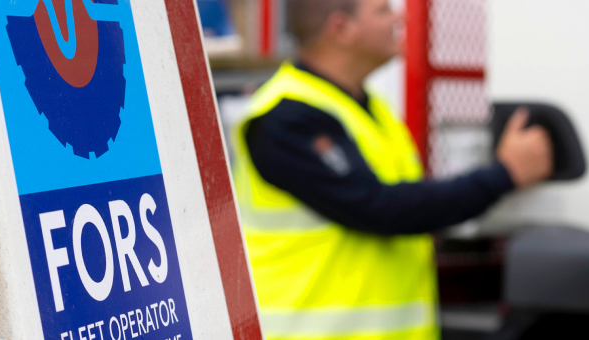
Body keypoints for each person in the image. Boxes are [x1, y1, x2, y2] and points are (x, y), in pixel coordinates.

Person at [231, 0, 554, 338]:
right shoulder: (286, 118)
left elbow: (409, 204)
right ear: (342, 29)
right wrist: (504, 174)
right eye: (383, 10)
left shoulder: (371, 109)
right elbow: (381, 207)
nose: (400, 16)